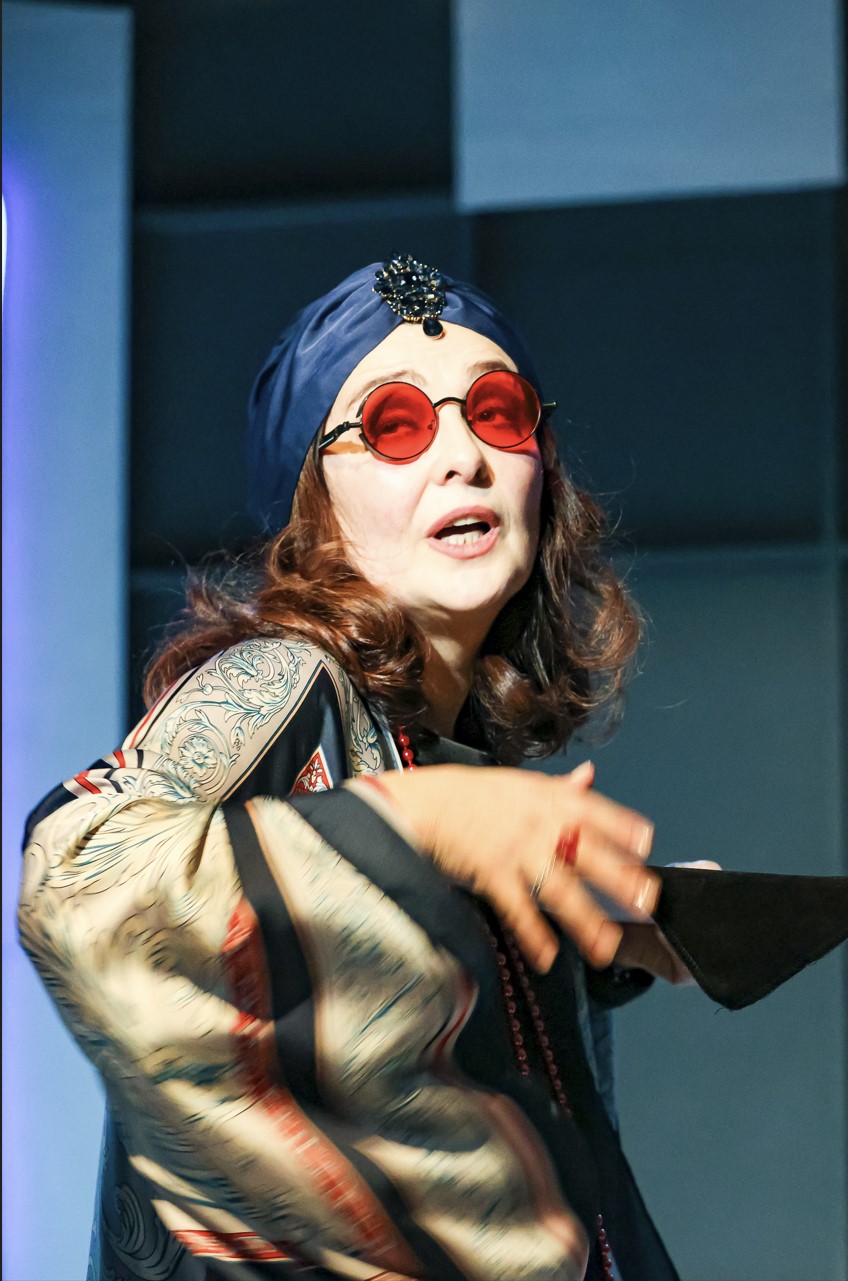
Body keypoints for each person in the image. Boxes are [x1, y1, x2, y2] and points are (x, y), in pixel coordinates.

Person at [19, 255, 692, 1279]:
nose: (463, 456)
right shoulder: (288, 678)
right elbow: (75, 868)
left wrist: (605, 942)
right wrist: (419, 822)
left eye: (499, 414)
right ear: (316, 504)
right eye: (395, 425)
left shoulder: (455, 745)